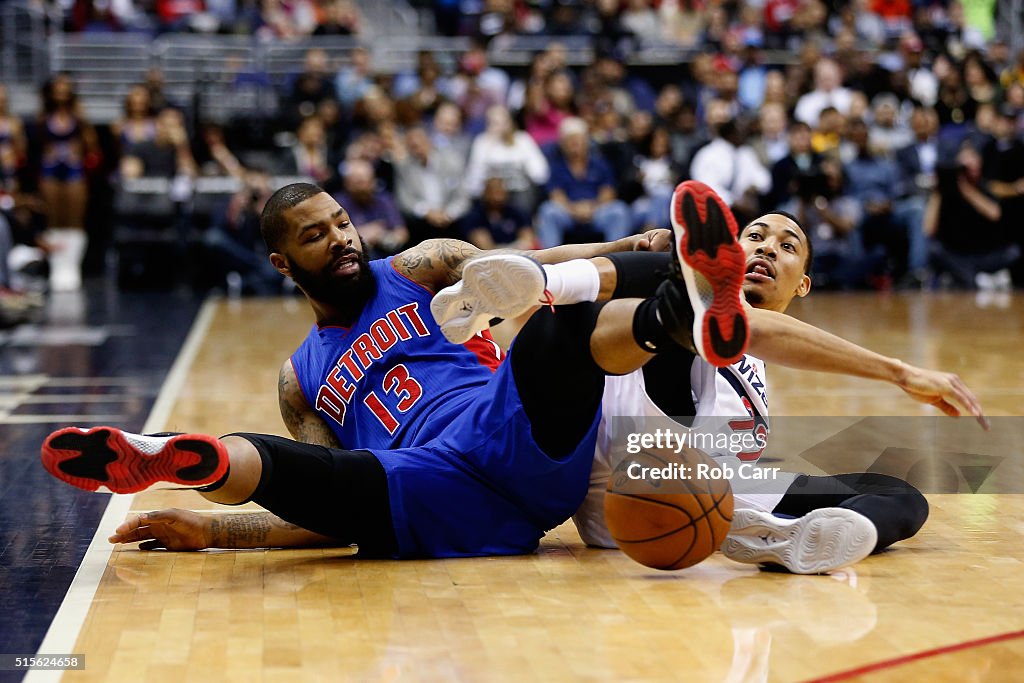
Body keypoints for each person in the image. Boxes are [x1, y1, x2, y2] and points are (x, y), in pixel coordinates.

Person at [40, 181, 752, 559]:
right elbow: (322, 515)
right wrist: (210, 531)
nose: (341, 239)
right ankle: (181, 456)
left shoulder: (419, 264)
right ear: (283, 263)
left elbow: (515, 267)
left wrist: (624, 243)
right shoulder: (301, 379)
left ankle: (670, 298)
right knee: (324, 479)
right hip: (428, 486)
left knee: (559, 321)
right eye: (316, 237)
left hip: (503, 425)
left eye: (342, 222)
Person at [438, 185, 987, 573]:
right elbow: (509, 262)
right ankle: (545, 282)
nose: (768, 247)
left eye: (787, 245)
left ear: (803, 285)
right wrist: (899, 372)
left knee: (901, 496)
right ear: (729, 252)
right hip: (637, 482)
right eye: (754, 236)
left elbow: (759, 343)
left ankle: (789, 542)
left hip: (712, 496)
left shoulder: (764, 346)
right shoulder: (706, 302)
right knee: (677, 289)